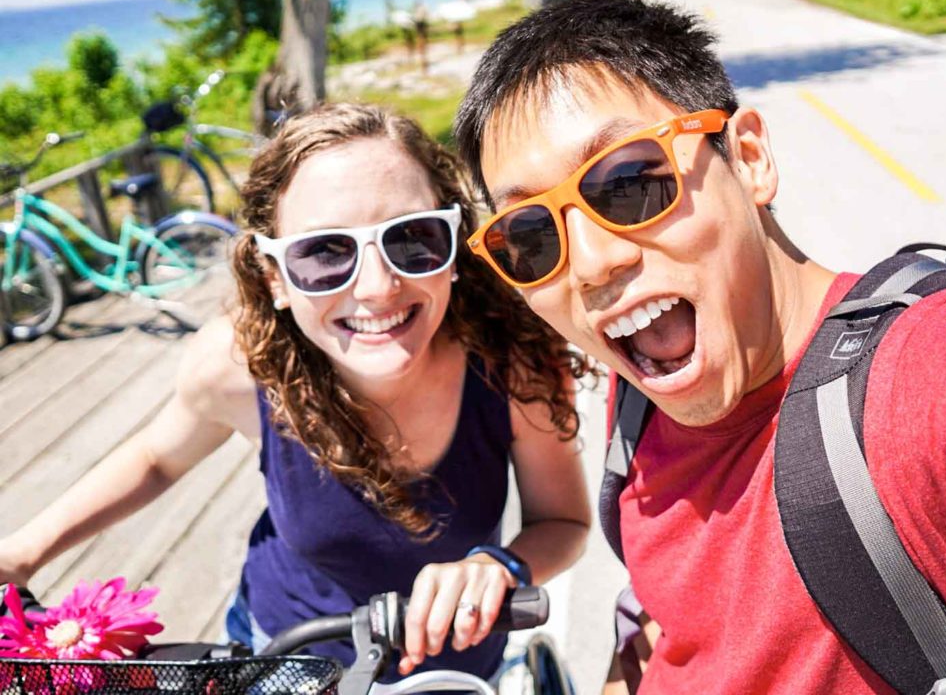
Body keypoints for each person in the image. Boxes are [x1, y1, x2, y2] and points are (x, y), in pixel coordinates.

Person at [453, 0, 946, 693]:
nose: (593, 264)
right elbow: (678, 614)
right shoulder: (640, 403)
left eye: (629, 182)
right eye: (533, 237)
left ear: (749, 158)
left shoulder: (938, 369)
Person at [0, 103, 592, 683]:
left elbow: (562, 520)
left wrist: (502, 566)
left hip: (455, 672)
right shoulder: (239, 365)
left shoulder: (515, 363)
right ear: (274, 278)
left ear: (455, 247)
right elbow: (157, 458)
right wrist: (20, 553)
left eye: (412, 239)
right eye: (324, 253)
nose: (379, 286)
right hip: (284, 657)